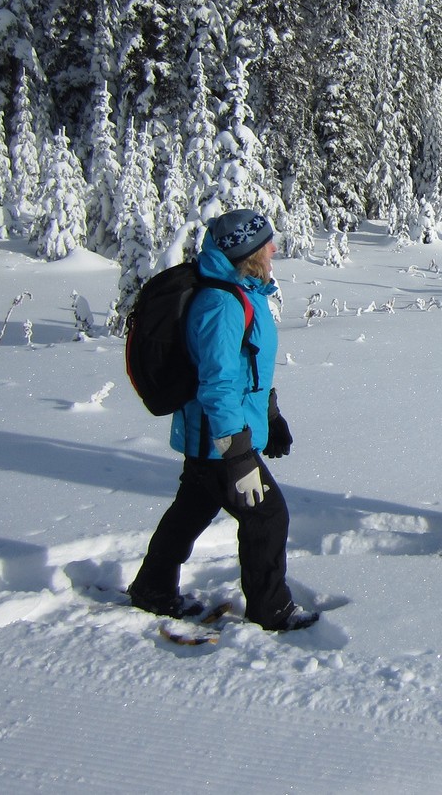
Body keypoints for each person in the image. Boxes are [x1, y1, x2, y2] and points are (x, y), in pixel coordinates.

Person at [128, 208, 318, 632]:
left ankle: (152, 588)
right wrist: (238, 455)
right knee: (268, 516)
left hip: (214, 439)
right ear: (248, 253)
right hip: (219, 441)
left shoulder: (243, 293)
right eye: (267, 243)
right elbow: (217, 385)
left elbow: (249, 369)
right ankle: (271, 610)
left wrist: (271, 416)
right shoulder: (221, 305)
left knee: (190, 512)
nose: (274, 248)